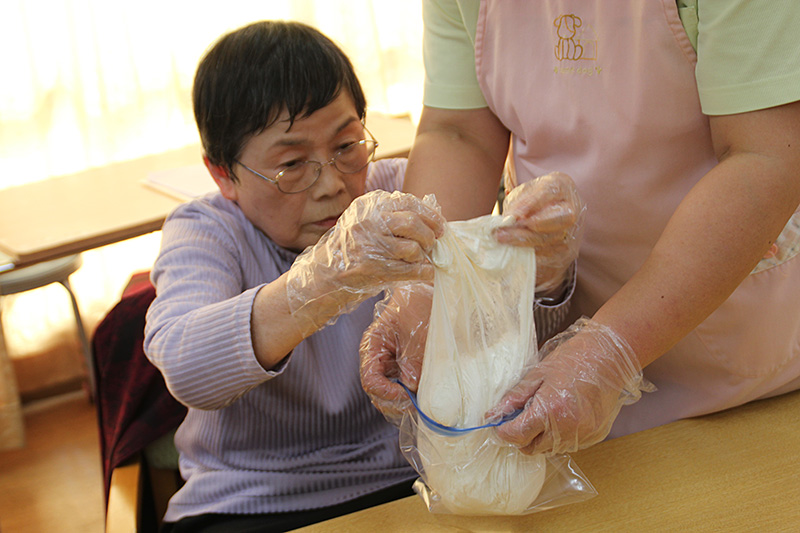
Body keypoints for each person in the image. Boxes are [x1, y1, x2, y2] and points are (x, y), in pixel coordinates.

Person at [360, 0, 800, 457]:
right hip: (563, 362)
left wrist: (611, 349)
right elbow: (458, 133)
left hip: (741, 362)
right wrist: (423, 287)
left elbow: (766, 158)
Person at [143, 20, 445, 532]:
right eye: (292, 164)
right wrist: (322, 281)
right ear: (223, 174)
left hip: (411, 480)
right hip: (249, 499)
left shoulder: (399, 195)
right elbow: (185, 364)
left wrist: (543, 270)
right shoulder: (210, 230)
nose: (331, 183)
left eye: (347, 145)